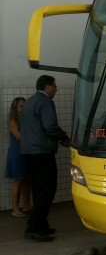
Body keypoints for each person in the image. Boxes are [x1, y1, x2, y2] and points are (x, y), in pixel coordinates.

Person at [20, 75, 70, 241]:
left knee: (38, 189)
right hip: (42, 152)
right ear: (47, 86)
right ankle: (33, 228)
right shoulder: (45, 102)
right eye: (54, 86)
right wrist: (64, 138)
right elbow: (50, 126)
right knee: (48, 189)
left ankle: (41, 225)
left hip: (28, 152)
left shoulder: (29, 102)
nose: (56, 89)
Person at [4, 97, 32, 217]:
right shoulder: (12, 121)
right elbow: (18, 136)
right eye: (21, 106)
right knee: (18, 180)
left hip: (26, 153)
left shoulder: (26, 120)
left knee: (27, 180)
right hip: (17, 153)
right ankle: (15, 209)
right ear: (15, 108)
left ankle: (27, 205)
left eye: (25, 106)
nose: (23, 109)